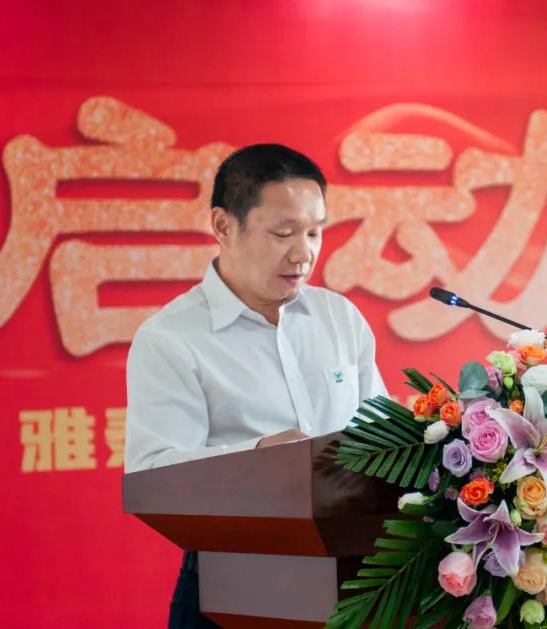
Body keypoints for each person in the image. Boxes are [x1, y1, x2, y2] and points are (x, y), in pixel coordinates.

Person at [124, 143, 387, 628]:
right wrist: (261, 458)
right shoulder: (171, 338)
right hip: (231, 582)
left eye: (314, 232)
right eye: (283, 233)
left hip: (353, 574)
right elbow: (153, 473)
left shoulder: (339, 318)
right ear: (223, 226)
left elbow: (381, 432)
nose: (303, 254)